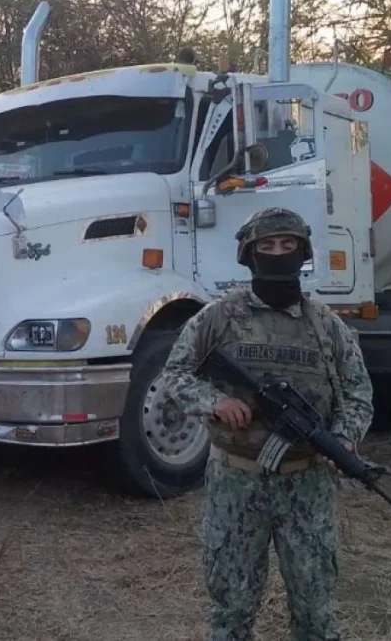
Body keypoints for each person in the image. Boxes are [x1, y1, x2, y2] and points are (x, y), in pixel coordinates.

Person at [160, 207, 374, 641]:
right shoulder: (218, 318)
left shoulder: (327, 327)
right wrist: (215, 400)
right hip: (236, 480)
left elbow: (358, 393)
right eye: (267, 246)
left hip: (306, 482)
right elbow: (175, 374)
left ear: (303, 252)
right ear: (249, 253)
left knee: (315, 610)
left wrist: (345, 439)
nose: (278, 253)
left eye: (288, 245)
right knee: (231, 611)